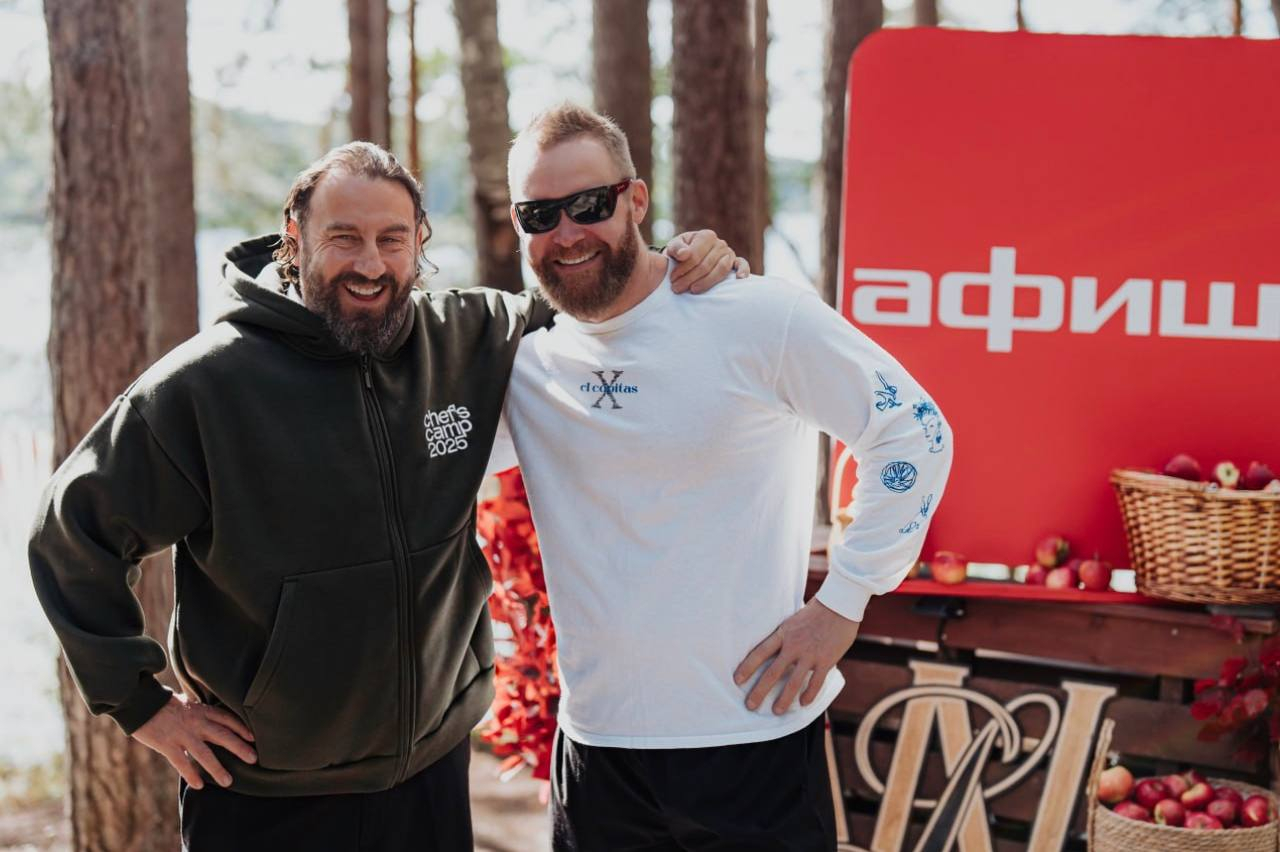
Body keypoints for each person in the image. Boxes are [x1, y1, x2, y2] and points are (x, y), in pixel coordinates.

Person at [28, 141, 743, 851]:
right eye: (344, 238)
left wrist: (681, 261)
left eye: (391, 240)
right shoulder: (207, 386)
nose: (370, 264)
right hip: (266, 794)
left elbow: (589, 298)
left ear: (419, 242)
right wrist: (142, 704)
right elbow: (71, 534)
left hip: (430, 776)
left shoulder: (467, 338)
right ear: (295, 236)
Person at [492, 103, 954, 851]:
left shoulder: (755, 316)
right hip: (598, 757)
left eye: (590, 204)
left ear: (636, 199)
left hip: (754, 745)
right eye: (539, 214)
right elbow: (412, 460)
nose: (567, 233)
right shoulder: (526, 367)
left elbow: (915, 430)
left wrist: (844, 601)